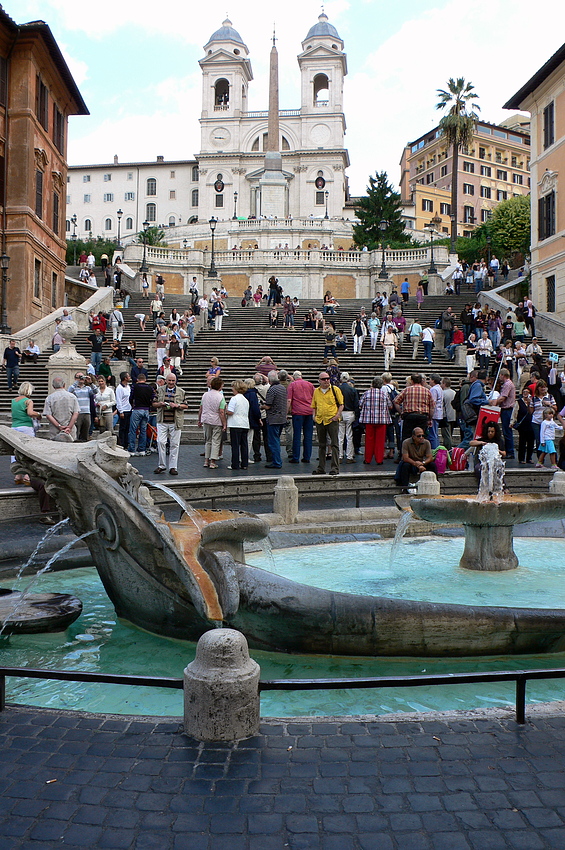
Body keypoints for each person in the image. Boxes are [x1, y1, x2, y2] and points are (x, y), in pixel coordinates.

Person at [153, 373, 187, 476]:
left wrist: (177, 405)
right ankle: (162, 465)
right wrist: (160, 404)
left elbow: (186, 405)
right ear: (166, 380)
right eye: (169, 380)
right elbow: (153, 403)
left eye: (173, 381)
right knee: (161, 442)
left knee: (174, 445)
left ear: (176, 381)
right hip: (162, 420)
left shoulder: (181, 392)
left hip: (175, 421)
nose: (171, 383)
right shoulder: (160, 390)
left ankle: (173, 467)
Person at [311, 371, 344, 476]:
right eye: (323, 379)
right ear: (319, 381)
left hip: (332, 419)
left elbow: (341, 404)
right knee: (321, 445)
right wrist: (314, 416)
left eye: (328, 378)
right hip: (320, 419)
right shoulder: (316, 391)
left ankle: (335, 468)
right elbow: (314, 405)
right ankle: (321, 467)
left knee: (334, 444)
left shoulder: (335, 389)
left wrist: (337, 415)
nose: (326, 381)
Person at [10, 381, 41, 484]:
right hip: (26, 427)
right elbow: (30, 413)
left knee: (16, 450)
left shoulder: (13, 401)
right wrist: (38, 414)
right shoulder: (28, 401)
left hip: (14, 426)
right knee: (28, 450)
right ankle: (27, 475)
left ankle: (18, 475)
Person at [359, 376, 391, 465]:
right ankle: (379, 459)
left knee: (369, 440)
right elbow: (390, 405)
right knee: (380, 441)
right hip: (381, 420)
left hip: (369, 420)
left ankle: (368, 459)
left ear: (372, 384)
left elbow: (360, 404)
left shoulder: (366, 393)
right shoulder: (384, 394)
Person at [394, 373, 434, 444]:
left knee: (407, 437)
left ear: (412, 381)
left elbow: (396, 401)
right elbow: (432, 407)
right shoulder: (427, 391)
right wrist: (430, 418)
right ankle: (420, 452)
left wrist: (401, 412)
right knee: (421, 436)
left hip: (409, 416)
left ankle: (406, 452)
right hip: (422, 416)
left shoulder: (407, 390)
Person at [394, 428, 437, 494]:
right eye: (419, 436)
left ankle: (434, 484)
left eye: (423, 435)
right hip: (411, 462)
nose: (421, 437)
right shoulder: (406, 442)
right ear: (413, 437)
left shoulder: (426, 442)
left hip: (421, 462)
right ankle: (404, 487)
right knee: (405, 465)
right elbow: (405, 458)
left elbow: (430, 457)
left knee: (432, 465)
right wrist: (417, 465)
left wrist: (423, 463)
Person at [287, 370, 315, 464]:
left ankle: (296, 457)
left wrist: (287, 412)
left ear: (294, 377)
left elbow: (289, 400)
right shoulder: (310, 384)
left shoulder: (292, 385)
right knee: (308, 435)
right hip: (309, 411)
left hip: (298, 412)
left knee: (297, 435)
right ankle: (307, 456)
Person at [198, 376, 227, 469]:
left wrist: (199, 420)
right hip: (216, 420)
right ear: (219, 386)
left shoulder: (205, 395)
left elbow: (201, 408)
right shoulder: (220, 396)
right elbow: (221, 411)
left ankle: (206, 460)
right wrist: (224, 423)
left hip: (206, 419)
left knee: (208, 441)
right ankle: (213, 461)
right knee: (216, 441)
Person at [262, 371, 287, 469]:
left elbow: (268, 406)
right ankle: (277, 460)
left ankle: (277, 462)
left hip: (273, 418)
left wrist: (262, 406)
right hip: (281, 418)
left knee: (273, 441)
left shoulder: (272, 389)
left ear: (269, 379)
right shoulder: (282, 388)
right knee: (276, 440)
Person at [43, 376, 80, 441]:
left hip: (55, 429)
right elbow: (76, 413)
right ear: (64, 385)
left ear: (53, 386)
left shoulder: (49, 398)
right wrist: (69, 427)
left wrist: (59, 426)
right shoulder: (72, 397)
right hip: (70, 429)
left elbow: (48, 415)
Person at [128, 372, 154, 456]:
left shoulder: (134, 387)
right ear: (145, 380)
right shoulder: (150, 388)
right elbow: (153, 398)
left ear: (137, 380)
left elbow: (131, 397)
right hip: (146, 410)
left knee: (133, 430)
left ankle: (132, 449)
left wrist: (132, 405)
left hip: (137, 409)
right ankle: (141, 449)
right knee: (143, 430)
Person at [226, 380, 250, 470]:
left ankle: (235, 464)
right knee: (244, 445)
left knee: (235, 445)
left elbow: (230, 412)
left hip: (235, 423)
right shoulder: (245, 400)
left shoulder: (234, 399)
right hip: (245, 423)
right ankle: (244, 463)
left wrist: (225, 410)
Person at [338, 372, 359, 464]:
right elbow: (356, 404)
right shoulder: (352, 390)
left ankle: (339, 455)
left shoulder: (337, 389)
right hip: (350, 413)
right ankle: (349, 456)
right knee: (349, 435)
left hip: (340, 412)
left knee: (340, 435)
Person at [494, 368, 516, 458]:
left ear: (503, 375)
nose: (499, 377)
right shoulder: (509, 384)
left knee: (507, 431)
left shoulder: (507, 384)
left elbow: (503, 397)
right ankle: (509, 451)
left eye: (500, 375)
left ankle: (510, 452)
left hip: (507, 409)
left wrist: (493, 402)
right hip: (507, 409)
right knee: (507, 431)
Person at [69, 372, 96, 442]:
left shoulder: (87, 388)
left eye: (82, 376)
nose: (81, 378)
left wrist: (90, 382)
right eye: (79, 376)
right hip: (78, 413)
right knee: (77, 432)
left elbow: (96, 391)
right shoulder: (74, 388)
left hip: (87, 413)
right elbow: (68, 392)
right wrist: (76, 382)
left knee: (85, 432)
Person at [512, 387, 535, 464]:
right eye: (524, 392)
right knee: (522, 442)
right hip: (522, 425)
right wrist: (512, 421)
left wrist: (529, 403)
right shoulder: (518, 402)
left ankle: (529, 458)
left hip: (531, 424)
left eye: (527, 392)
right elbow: (515, 412)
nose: (525, 393)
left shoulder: (532, 402)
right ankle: (521, 458)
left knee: (531, 442)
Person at [115, 372, 132, 449]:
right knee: (122, 428)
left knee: (127, 428)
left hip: (129, 409)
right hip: (123, 410)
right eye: (128, 376)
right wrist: (121, 411)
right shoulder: (119, 388)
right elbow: (118, 400)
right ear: (125, 378)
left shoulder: (128, 387)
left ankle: (126, 443)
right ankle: (122, 443)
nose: (129, 377)